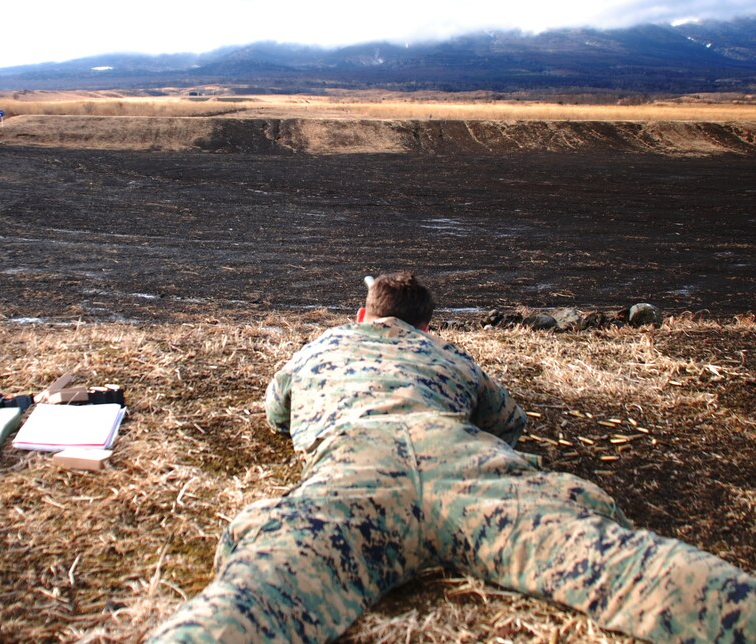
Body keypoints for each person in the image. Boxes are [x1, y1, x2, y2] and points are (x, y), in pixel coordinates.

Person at [149, 271, 756, 642]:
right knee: (623, 561)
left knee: (253, 598)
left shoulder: (323, 346)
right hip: (466, 467)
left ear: (363, 315)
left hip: (353, 475)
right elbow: (508, 420)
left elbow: (276, 413)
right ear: (425, 326)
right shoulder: (449, 358)